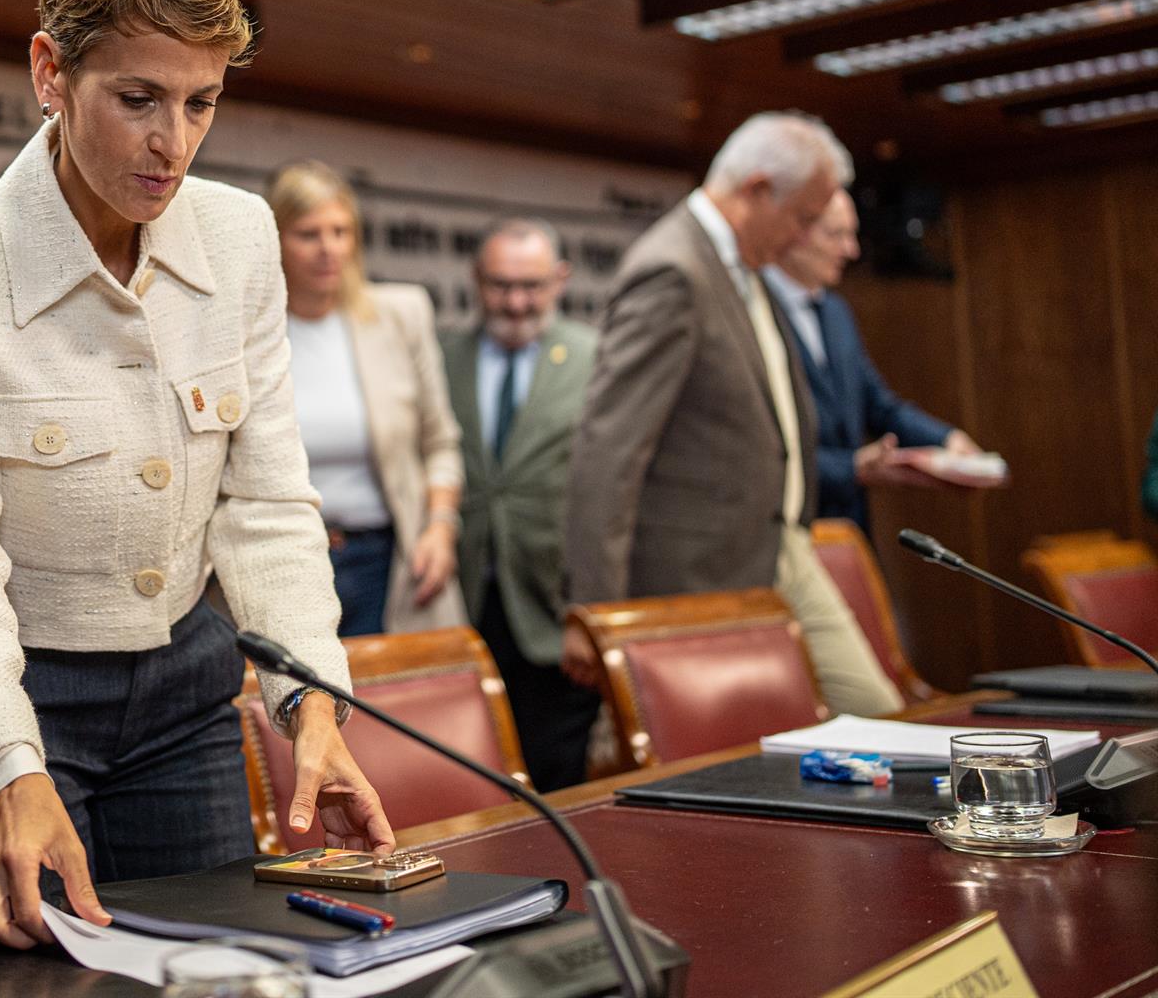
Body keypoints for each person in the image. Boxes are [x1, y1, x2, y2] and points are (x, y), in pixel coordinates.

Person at [0, 0, 391, 951]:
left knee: (211, 969)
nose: (174, 144)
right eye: (139, 98)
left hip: (186, 703)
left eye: (203, 103)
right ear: (50, 72)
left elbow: (267, 503)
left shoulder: (241, 238)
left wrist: (311, 703)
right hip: (18, 701)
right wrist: (4, 762)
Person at [563, 111, 902, 718]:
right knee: (712, 737)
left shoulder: (745, 266)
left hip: (778, 544)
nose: (803, 237)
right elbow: (609, 449)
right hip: (698, 570)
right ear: (757, 190)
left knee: (873, 710)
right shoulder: (674, 269)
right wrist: (595, 610)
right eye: (803, 218)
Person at [267, 161, 465, 637]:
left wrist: (441, 528)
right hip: (285, 565)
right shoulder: (252, 328)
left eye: (340, 231)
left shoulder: (400, 315)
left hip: (388, 560)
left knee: (393, 682)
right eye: (308, 234)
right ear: (274, 238)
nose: (328, 249)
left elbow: (440, 444)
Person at [442, 219, 600, 791]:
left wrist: (587, 614)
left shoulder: (595, 358)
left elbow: (607, 497)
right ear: (476, 279)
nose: (515, 303)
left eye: (531, 286)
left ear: (561, 280)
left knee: (557, 778)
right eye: (500, 286)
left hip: (552, 614)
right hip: (463, 604)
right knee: (467, 778)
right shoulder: (442, 355)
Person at [764, 188, 980, 533]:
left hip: (851, 527)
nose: (852, 250)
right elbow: (760, 452)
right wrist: (852, 467)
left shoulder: (836, 312)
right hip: (785, 527)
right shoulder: (754, 314)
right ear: (793, 232)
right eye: (837, 235)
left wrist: (946, 439)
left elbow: (878, 406)